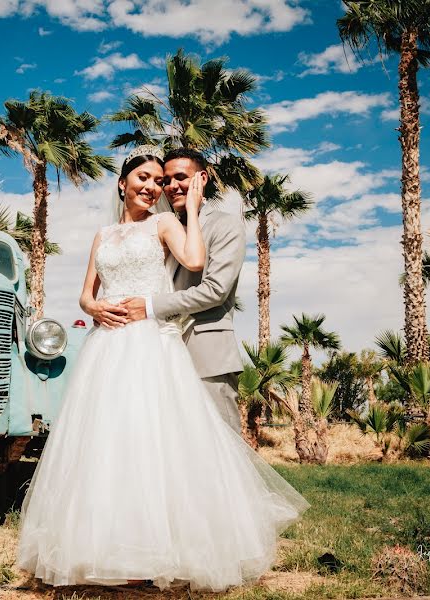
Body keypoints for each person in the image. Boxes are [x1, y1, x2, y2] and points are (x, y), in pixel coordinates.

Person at [16, 147, 309, 592]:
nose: (156, 186)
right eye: (147, 179)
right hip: (109, 347)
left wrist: (190, 210)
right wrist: (93, 307)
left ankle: (207, 546)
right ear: (122, 184)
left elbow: (197, 268)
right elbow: (86, 294)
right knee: (113, 445)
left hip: (156, 342)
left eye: (164, 180)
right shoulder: (104, 233)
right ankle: (113, 547)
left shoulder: (170, 222)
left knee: (177, 446)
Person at [119, 148, 245, 433]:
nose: (172, 186)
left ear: (202, 178)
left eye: (181, 178)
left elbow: (215, 290)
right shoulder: (167, 228)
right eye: (167, 180)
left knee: (224, 449)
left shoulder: (225, 225)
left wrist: (149, 306)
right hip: (163, 356)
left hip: (207, 357)